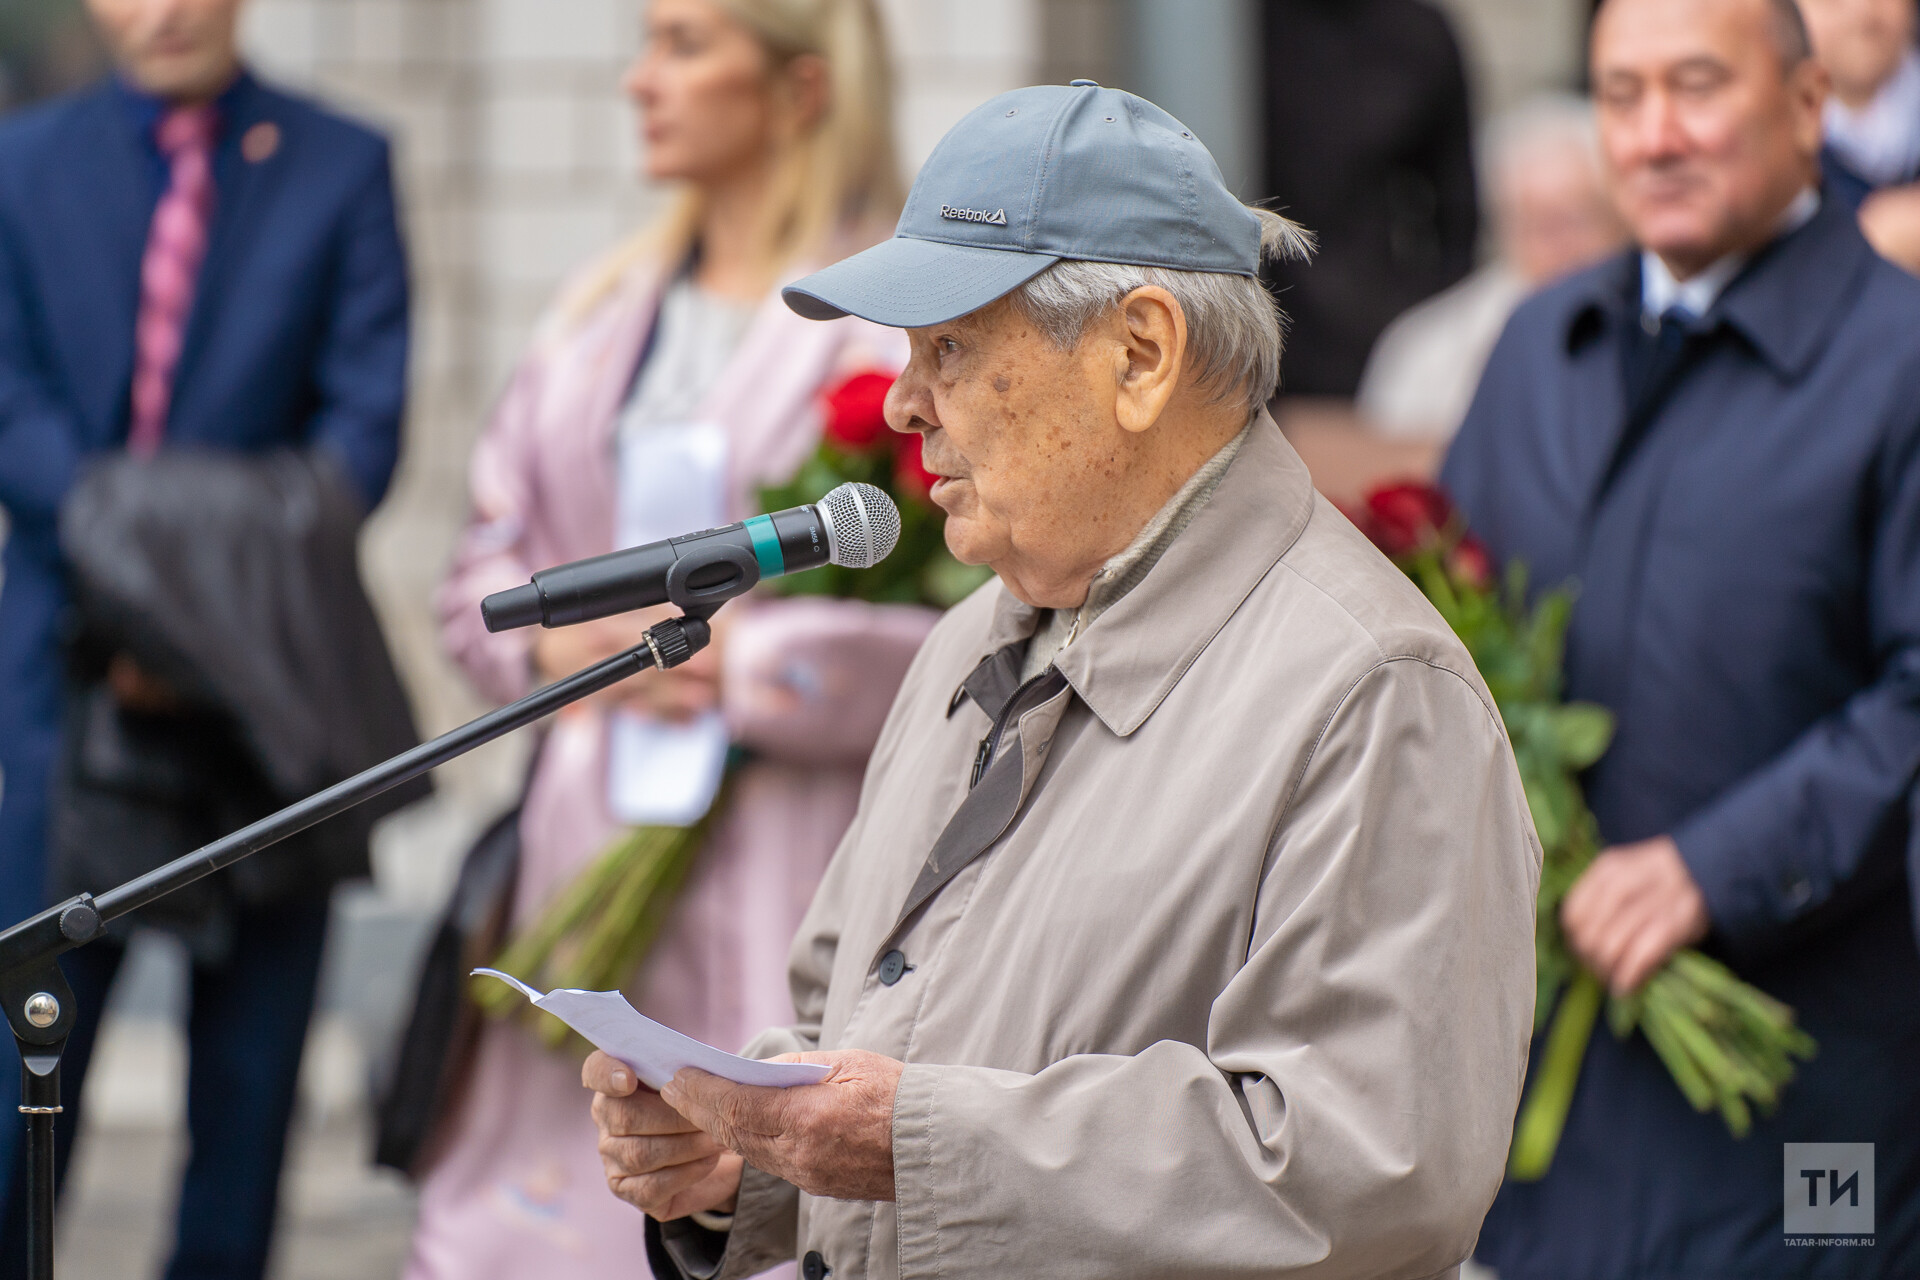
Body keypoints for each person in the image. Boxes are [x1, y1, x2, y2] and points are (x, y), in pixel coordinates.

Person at [587, 81, 1542, 1280]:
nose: (901, 402)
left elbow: (1368, 1174)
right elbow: (859, 1022)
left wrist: (912, 1139)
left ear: (1140, 354)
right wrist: (745, 1163)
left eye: (949, 347)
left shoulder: (1374, 692)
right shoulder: (977, 632)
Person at [413, 2, 933, 1275]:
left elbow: (958, 620)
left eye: (685, 45)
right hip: (583, 848)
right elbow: (477, 574)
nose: (641, 80)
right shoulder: (597, 317)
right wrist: (559, 656)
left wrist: (744, 667)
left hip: (782, 855)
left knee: (738, 1173)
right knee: (541, 1197)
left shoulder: (886, 333)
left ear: (800, 88)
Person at [1444, 0, 1920, 1274]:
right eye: (1619, 94)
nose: (1654, 136)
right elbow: (1447, 630)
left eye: (1697, 86)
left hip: (1809, 1080)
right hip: (1555, 1082)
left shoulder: (1898, 355)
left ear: (1809, 101)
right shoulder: (1544, 344)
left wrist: (1715, 864)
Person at [0, 0, 408, 1274]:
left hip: (268, 700)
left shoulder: (344, 163)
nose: (164, 10)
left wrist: (184, 615)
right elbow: (15, 413)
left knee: (246, 1113)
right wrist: (141, 583)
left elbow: (357, 441)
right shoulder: (22, 165)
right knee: (19, 1106)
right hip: (70, 693)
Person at [1357, 96, 1626, 443]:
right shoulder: (1432, 350)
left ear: (1623, 223)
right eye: (1534, 223)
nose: (1558, 245)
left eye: (1576, 219)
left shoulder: (1661, 332)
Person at [1257, 0, 1480, 397]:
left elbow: (1458, 213)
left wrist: (1421, 331)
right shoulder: (1231, 29)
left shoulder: (1418, 36)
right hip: (1252, 313)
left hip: (1379, 335)